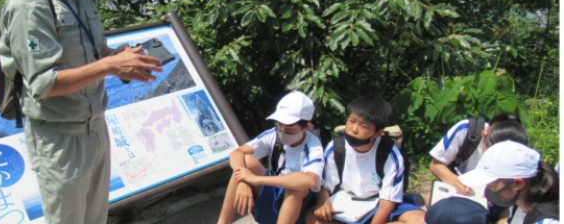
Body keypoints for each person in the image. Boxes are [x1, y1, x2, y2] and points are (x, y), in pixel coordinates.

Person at [0, 0, 163, 224]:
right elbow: (43, 83)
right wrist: (109, 66)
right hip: (59, 137)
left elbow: (91, 53)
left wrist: (116, 56)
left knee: (95, 219)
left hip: (95, 127)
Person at [307, 95, 424, 224]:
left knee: (418, 220)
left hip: (379, 202)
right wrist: (322, 202)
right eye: (352, 121)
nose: (354, 129)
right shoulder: (336, 147)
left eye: (363, 125)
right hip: (346, 200)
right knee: (312, 218)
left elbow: (387, 201)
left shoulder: (390, 154)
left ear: (378, 133)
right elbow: (326, 186)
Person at [217, 91, 324, 224]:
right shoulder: (273, 135)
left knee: (296, 187)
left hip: (298, 209)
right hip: (273, 197)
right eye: (279, 124)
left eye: (290, 126)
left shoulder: (312, 146)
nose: (283, 130)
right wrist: (243, 181)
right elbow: (237, 153)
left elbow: (309, 180)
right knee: (246, 162)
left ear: (307, 126)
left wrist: (256, 179)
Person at [459, 141, 559, 224]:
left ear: (518, 184)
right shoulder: (521, 202)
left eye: (491, 185)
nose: (487, 190)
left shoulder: (547, 221)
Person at [429, 113, 527, 197]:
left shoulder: (518, 150)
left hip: (492, 196)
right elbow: (435, 165)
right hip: (461, 189)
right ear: (484, 135)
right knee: (430, 199)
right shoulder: (466, 130)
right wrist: (458, 183)